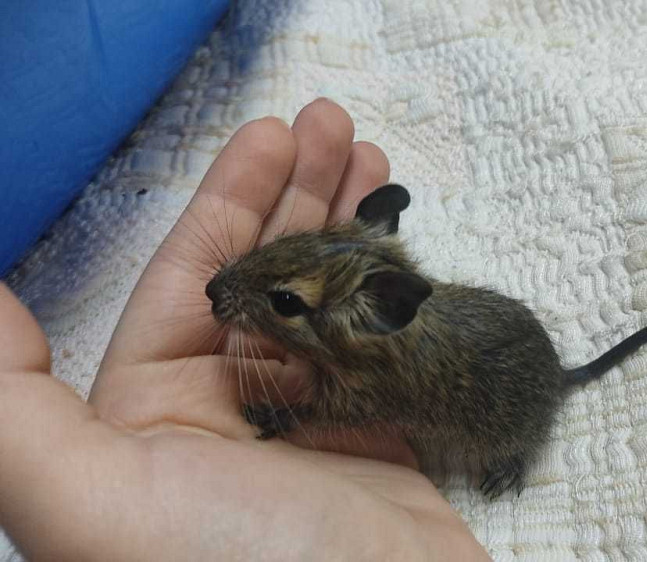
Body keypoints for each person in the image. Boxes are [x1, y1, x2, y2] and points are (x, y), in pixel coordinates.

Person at [0, 99, 491, 560]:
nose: (217, 290)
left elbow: (345, 409)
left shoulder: (369, 377)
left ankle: (511, 454)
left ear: (380, 314)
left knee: (502, 440)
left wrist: (288, 416)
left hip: (501, 415)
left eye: (285, 302)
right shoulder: (357, 339)